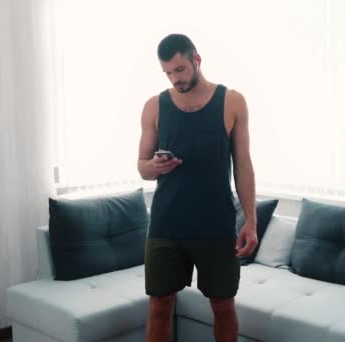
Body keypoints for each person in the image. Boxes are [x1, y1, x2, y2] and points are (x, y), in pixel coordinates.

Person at [137, 33, 258, 342]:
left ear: (196, 60)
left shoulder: (232, 101)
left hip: (216, 225)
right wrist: (155, 167)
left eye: (179, 69)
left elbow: (243, 165)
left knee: (222, 305)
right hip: (166, 225)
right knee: (160, 304)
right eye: (167, 72)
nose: (174, 78)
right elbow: (142, 166)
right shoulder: (154, 106)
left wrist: (251, 222)